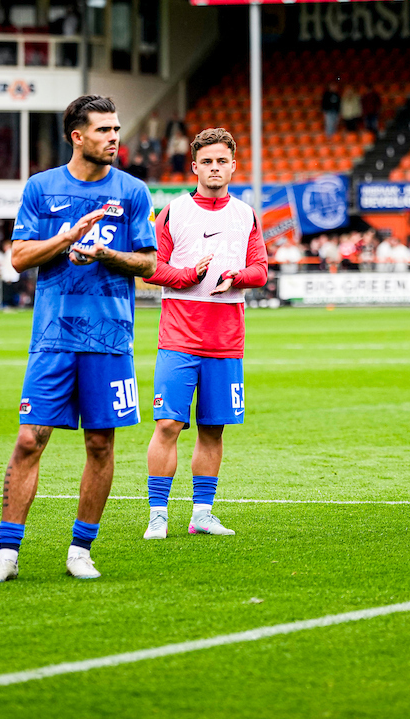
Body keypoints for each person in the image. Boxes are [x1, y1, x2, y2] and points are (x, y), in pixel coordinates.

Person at [0, 95, 156, 584]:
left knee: (100, 444)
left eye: (117, 129)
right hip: (53, 339)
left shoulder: (134, 191)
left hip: (110, 339)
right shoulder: (41, 188)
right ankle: (7, 554)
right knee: (29, 439)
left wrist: (106, 253)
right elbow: (19, 257)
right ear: (77, 136)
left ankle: (81, 548)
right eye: (103, 130)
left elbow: (150, 263)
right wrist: (67, 238)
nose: (114, 137)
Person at [141, 128, 267, 540]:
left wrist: (236, 276)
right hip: (179, 336)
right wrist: (187, 275)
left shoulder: (246, 214)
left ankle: (202, 514)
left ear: (233, 165)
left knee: (214, 429)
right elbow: (151, 268)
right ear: (194, 166)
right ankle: (157, 514)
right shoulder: (173, 212)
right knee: (168, 426)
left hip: (227, 339)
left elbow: (261, 270)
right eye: (207, 161)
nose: (215, 168)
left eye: (222, 161)